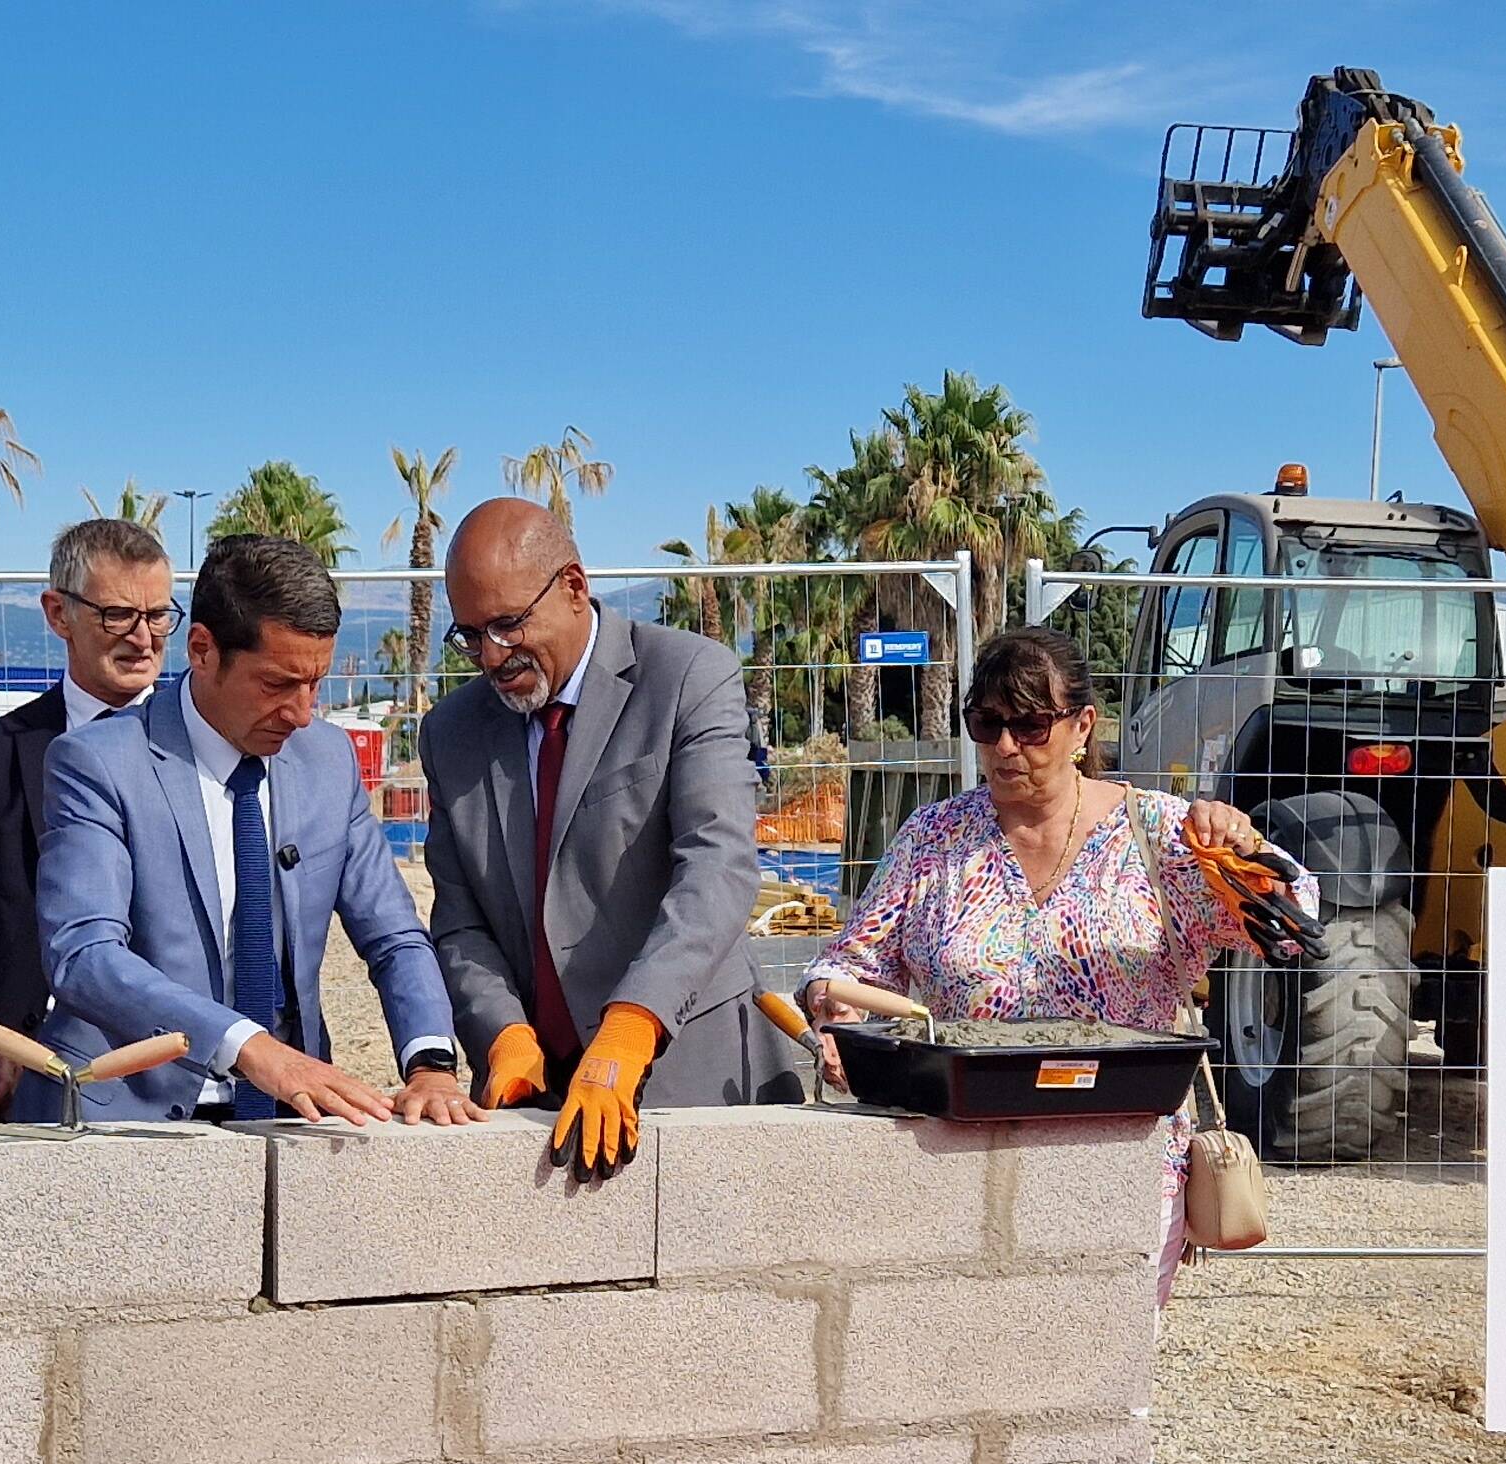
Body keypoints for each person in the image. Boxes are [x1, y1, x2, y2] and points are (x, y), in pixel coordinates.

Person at [805, 625, 1278, 1297]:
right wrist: (838, 1008)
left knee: (1104, 1376)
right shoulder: (933, 838)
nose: (1004, 748)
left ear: (1082, 725)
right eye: (986, 724)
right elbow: (849, 966)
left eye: (1029, 726)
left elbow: (1289, 928)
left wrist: (1245, 849)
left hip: (1124, 1166)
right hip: (962, 1167)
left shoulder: (1165, 835)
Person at [33, 534, 477, 1127]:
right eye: (276, 685)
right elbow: (84, 955)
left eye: (315, 683)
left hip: (291, 1115)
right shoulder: (96, 762)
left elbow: (393, 935)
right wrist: (248, 1047)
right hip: (127, 1120)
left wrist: (430, 1062)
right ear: (202, 650)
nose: (300, 713)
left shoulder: (328, 758)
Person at [420, 498, 792, 1177]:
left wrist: (632, 1024)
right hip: (535, 1099)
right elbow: (459, 918)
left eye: (508, 625)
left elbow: (718, 869)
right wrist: (500, 1030)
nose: (491, 657)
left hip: (692, 1078)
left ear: (573, 587)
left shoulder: (687, 677)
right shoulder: (451, 732)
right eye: (470, 635)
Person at [0, 516, 174, 1041]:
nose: (143, 639)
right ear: (58, 614)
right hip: (25, 1055)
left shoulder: (203, 751)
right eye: (118, 615)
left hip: (174, 1053)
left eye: (159, 616)